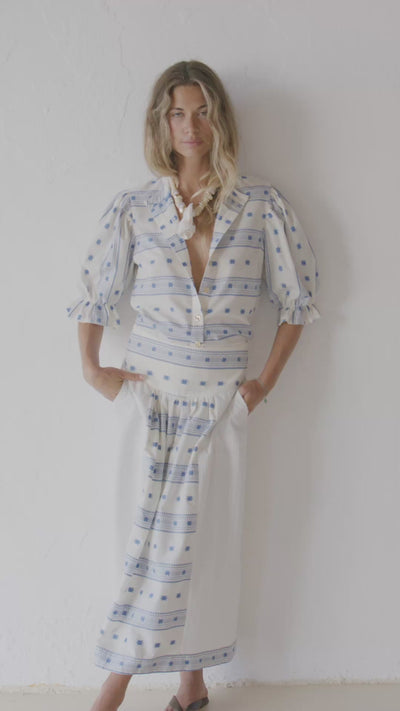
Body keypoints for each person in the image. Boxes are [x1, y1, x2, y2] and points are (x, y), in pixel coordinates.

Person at [66, 60, 321, 711]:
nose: (190, 126)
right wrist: (92, 368)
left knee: (203, 553)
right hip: (148, 402)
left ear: (220, 119)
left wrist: (260, 386)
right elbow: (94, 291)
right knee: (147, 551)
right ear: (162, 122)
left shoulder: (261, 206)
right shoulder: (135, 208)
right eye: (177, 113)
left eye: (202, 111)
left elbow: (297, 301)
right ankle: (118, 691)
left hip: (219, 407)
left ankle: (191, 688)